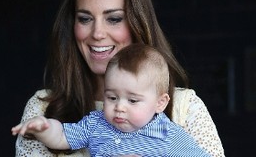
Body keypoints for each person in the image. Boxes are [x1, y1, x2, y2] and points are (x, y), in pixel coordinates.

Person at [15, 0, 225, 156]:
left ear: (138, 23)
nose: (97, 34)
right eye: (85, 19)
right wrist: (46, 128)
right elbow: (60, 135)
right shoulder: (55, 111)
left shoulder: (179, 116)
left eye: (114, 19)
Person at [12, 44, 210, 156]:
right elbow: (62, 137)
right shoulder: (96, 124)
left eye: (133, 101)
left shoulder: (167, 134)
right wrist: (46, 127)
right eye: (112, 97)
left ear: (160, 103)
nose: (119, 108)